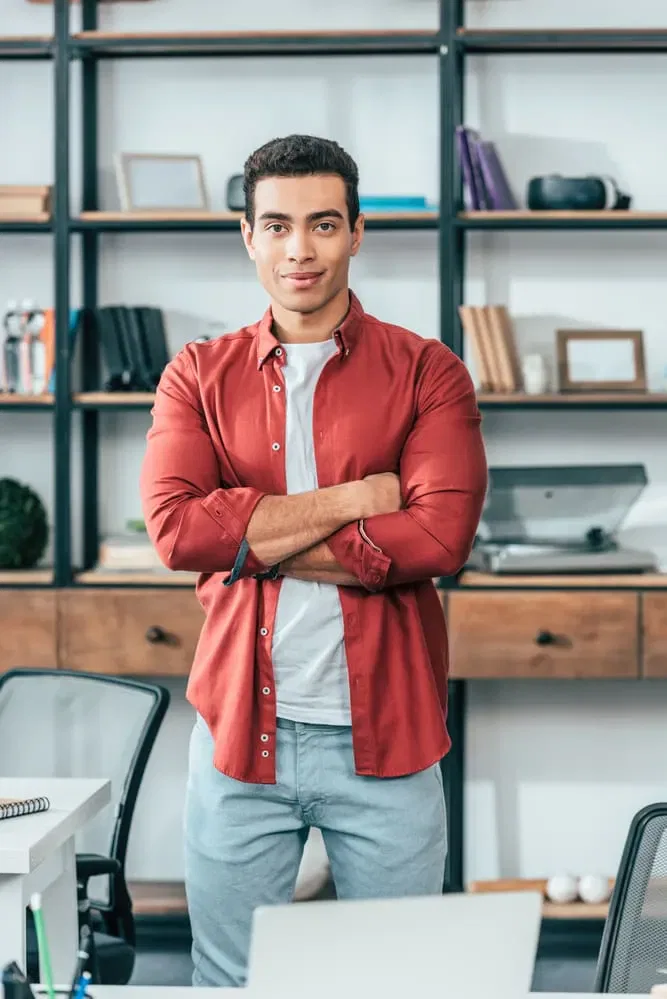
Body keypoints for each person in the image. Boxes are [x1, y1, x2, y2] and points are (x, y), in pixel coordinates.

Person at [139, 133, 488, 988]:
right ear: (248, 236)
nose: (301, 248)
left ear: (357, 232)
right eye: (279, 225)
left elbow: (439, 540)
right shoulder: (196, 374)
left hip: (390, 745)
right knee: (230, 980)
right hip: (237, 740)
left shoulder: (428, 372)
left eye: (324, 224)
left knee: (399, 981)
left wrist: (251, 545)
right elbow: (178, 532)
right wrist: (359, 498)